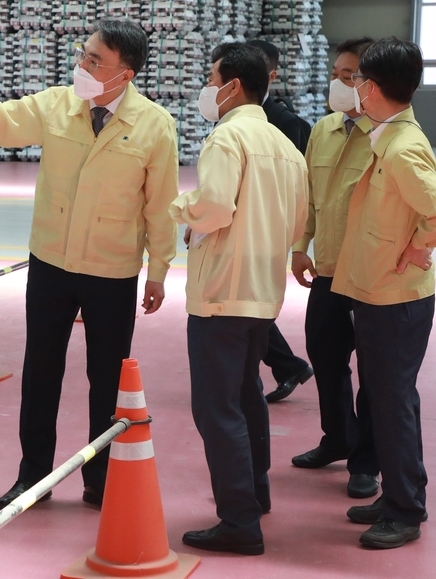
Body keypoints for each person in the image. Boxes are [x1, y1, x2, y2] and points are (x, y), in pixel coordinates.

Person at [0, 19, 179, 511]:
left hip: (112, 270)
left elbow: (159, 205)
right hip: (52, 263)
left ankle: (100, 477)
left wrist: (159, 269)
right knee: (41, 372)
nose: (83, 65)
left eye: (96, 61)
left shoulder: (154, 125)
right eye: (84, 55)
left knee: (107, 379)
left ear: (126, 75)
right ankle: (33, 475)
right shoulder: (59, 104)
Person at [170, 44, 308, 555]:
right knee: (247, 396)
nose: (207, 89)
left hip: (221, 292)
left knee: (216, 407)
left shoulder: (226, 138)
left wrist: (180, 209)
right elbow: (298, 224)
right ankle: (255, 493)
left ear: (230, 86)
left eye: (211, 78)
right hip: (263, 291)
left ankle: (239, 521)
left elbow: (214, 207)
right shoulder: (283, 144)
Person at [331, 37, 435, 549]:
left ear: (371, 87)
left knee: (393, 402)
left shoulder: (403, 146)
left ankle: (405, 509)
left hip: (397, 299)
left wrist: (419, 247)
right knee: (385, 397)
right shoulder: (386, 136)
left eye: (356, 80)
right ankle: (397, 490)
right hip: (378, 292)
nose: (352, 88)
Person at [289, 37, 380, 501]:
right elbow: (309, 195)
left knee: (373, 369)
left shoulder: (387, 133)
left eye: (351, 76)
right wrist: (299, 246)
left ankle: (367, 460)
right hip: (327, 269)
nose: (341, 83)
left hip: (370, 275)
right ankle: (338, 438)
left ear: (371, 83)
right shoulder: (323, 129)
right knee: (325, 355)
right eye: (338, 74)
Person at [232, 39, 314, 404]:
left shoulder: (285, 121)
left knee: (251, 306)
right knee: (248, 305)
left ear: (270, 75)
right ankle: (287, 366)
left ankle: (287, 366)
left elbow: (292, 184)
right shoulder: (231, 116)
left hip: (264, 228)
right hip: (237, 226)